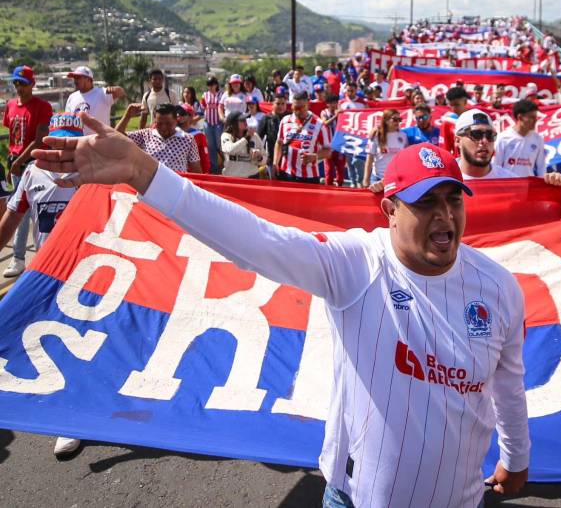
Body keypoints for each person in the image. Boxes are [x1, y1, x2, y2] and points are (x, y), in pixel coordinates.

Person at [33, 124, 531, 507]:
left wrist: (517, 456)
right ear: (389, 209)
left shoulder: (499, 288)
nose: (445, 216)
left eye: (452, 200)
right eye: (426, 203)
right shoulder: (356, 264)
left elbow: (507, 383)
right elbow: (257, 240)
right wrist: (145, 173)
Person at [0, 112, 83, 456]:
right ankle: (67, 415)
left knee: (85, 342)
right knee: (48, 341)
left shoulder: (96, 176)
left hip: (89, 275)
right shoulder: (32, 174)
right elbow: (12, 218)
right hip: (47, 273)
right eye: (55, 143)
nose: (61, 151)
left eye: (69, 144)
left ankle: (77, 415)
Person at [2, 65, 53, 277]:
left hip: (33, 163)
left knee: (30, 213)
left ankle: (22, 257)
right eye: (16, 83)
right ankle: (22, 257)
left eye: (22, 83)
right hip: (15, 163)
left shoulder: (42, 106)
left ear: (32, 84)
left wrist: (20, 160)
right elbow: (14, 137)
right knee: (20, 212)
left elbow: (39, 139)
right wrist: (11, 161)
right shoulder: (11, 105)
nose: (19, 87)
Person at [120, 104, 201, 174]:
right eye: (159, 123)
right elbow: (117, 136)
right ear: (155, 121)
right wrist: (127, 116)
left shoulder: (188, 139)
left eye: (168, 123)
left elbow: (196, 170)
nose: (163, 127)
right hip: (148, 187)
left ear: (176, 121)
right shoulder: (145, 135)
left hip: (176, 188)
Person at [274, 91, 332, 184]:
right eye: (295, 107)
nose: (297, 111)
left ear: (308, 105)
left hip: (309, 177)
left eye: (301, 108)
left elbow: (328, 151)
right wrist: (275, 162)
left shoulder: (319, 124)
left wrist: (315, 156)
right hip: (286, 174)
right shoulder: (285, 120)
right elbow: (279, 143)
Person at [494, 99, 547, 177]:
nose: (535, 120)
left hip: (528, 187)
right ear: (520, 117)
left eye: (536, 117)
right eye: (532, 117)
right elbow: (496, 166)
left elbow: (541, 168)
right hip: (507, 186)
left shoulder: (538, 139)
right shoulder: (503, 138)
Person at [64, 66, 124, 134]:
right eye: (74, 78)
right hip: (79, 141)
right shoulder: (72, 97)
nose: (75, 80)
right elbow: (67, 120)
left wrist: (116, 89)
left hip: (100, 142)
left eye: (78, 77)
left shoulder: (102, 93)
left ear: (88, 79)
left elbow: (121, 92)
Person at [362, 109, 408, 187]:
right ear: (386, 120)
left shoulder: (403, 136)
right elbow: (369, 160)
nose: (397, 122)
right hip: (378, 179)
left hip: (395, 179)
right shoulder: (376, 135)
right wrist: (366, 180)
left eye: (399, 120)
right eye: (394, 119)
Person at [221, 111, 264, 178]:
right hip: (232, 176)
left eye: (245, 119)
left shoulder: (254, 135)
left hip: (252, 176)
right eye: (242, 120)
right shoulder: (226, 136)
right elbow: (230, 149)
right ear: (234, 123)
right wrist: (246, 138)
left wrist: (259, 157)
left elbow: (265, 156)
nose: (245, 122)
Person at [257, 91, 288, 180]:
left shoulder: (290, 117)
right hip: (272, 160)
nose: (281, 106)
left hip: (289, 161)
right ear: (272, 104)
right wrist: (262, 156)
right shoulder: (266, 118)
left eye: (283, 103)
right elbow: (258, 138)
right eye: (278, 103)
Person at [320, 94, 347, 187]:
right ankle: (328, 188)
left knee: (340, 168)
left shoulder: (341, 113)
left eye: (336, 102)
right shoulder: (324, 112)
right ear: (327, 104)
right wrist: (336, 116)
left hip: (339, 146)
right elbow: (324, 123)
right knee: (329, 169)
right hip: (328, 146)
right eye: (332, 103)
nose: (334, 104)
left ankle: (340, 186)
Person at [176, 104, 211, 174]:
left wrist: (205, 175)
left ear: (190, 116)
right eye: (177, 113)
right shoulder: (170, 133)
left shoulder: (198, 135)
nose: (178, 115)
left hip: (193, 174)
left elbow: (204, 158)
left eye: (182, 113)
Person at [201, 77, 225, 174]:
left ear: (216, 85)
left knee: (220, 145)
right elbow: (202, 107)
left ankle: (225, 164)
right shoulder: (205, 95)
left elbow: (223, 107)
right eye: (209, 84)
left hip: (218, 123)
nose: (210, 86)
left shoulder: (221, 95)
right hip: (208, 123)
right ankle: (214, 167)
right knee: (211, 146)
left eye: (212, 84)